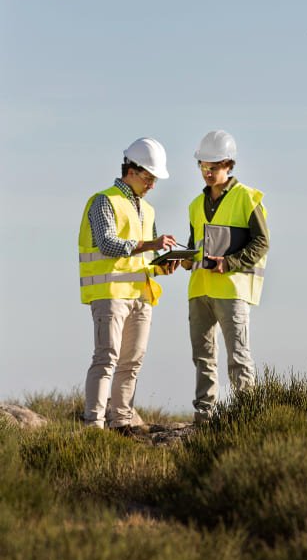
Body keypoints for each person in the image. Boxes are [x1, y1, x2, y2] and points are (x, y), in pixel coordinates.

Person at [78, 137, 178, 432]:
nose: (153, 185)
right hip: (110, 294)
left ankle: (122, 422)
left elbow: (146, 256)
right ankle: (93, 424)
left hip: (140, 296)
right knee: (106, 359)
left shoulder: (148, 211)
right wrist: (150, 244)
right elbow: (108, 244)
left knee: (132, 362)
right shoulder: (103, 201)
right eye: (150, 178)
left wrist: (164, 266)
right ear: (132, 171)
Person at [184, 129, 269, 421]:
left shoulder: (247, 198)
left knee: (238, 356)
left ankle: (247, 417)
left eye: (214, 166)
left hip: (232, 291)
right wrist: (183, 259)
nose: (207, 172)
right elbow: (197, 246)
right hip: (199, 291)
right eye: (203, 166)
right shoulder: (196, 205)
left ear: (229, 165)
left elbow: (262, 242)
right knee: (203, 357)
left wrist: (230, 262)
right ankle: (204, 416)